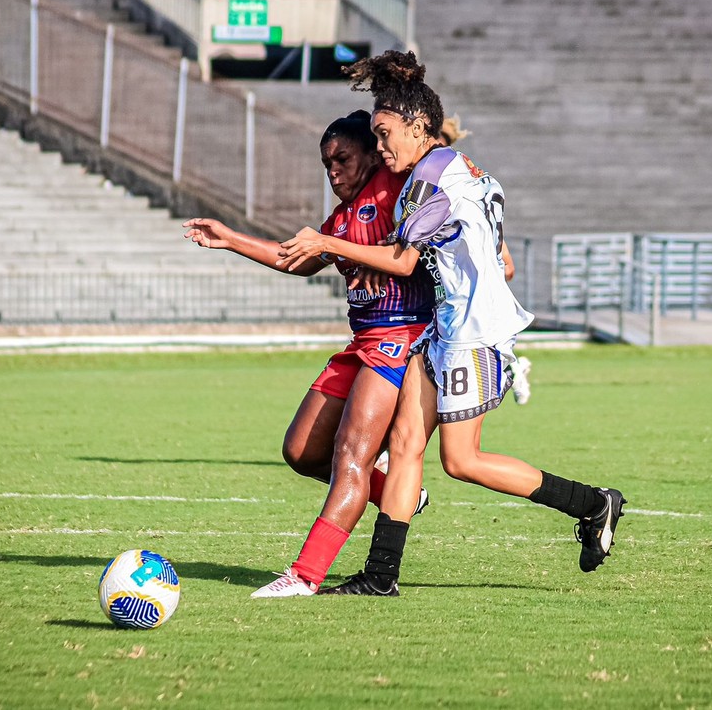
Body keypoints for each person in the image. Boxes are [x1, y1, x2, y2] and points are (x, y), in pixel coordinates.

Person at [277, 51, 625, 596]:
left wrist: (328, 242)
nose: (382, 147)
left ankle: (593, 503)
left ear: (419, 128)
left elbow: (402, 262)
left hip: (472, 338)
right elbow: (502, 262)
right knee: (406, 440)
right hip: (446, 330)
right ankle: (379, 576)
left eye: (386, 134)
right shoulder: (462, 171)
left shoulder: (428, 181)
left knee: (461, 460)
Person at [183, 110, 437, 597]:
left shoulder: (393, 187)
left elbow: (418, 232)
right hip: (362, 342)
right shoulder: (341, 218)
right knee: (301, 450)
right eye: (327, 164)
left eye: (343, 158)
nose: (334, 171)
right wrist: (230, 239)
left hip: (399, 340)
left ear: (373, 152)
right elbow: (293, 258)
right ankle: (397, 493)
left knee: (351, 458)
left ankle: (305, 576)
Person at [440, 113, 530, 405]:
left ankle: (511, 368)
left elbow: (508, 266)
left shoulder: (464, 196)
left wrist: (474, 276)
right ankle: (513, 367)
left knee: (460, 447)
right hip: (449, 314)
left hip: (471, 318)